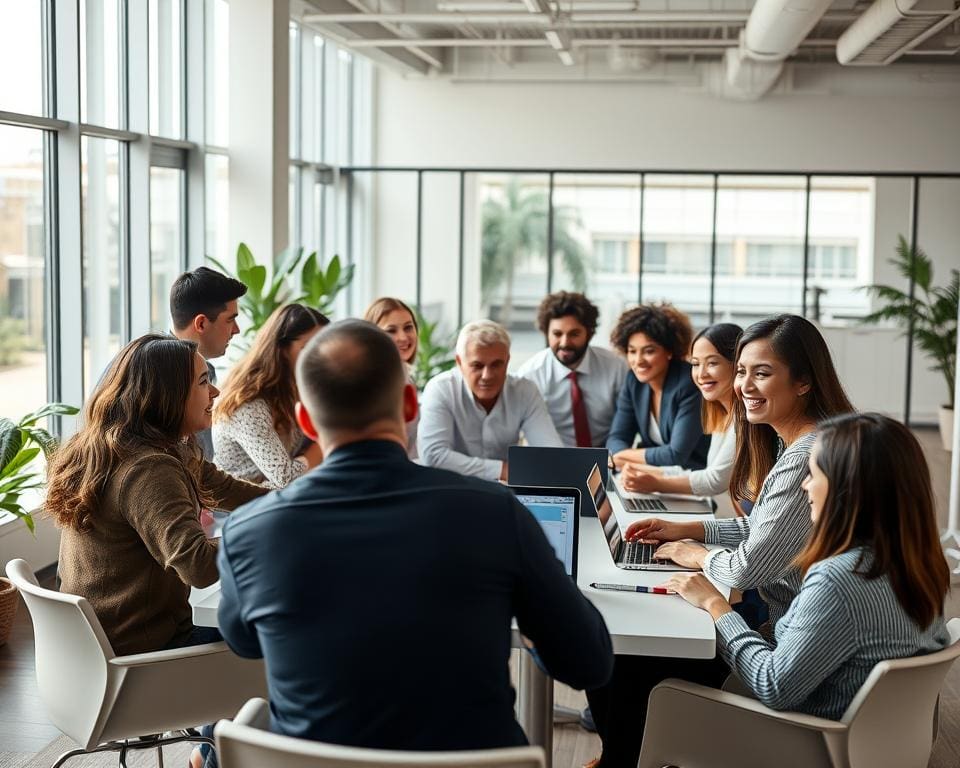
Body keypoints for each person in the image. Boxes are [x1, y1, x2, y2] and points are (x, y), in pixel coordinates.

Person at [215, 319, 614, 750]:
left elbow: (242, 641)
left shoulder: (249, 532)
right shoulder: (497, 514)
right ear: (409, 404)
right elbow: (589, 664)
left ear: (306, 421)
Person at [587, 314, 855, 768]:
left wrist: (696, 559)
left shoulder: (806, 457)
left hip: (789, 647)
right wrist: (690, 530)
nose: (744, 385)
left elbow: (747, 567)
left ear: (805, 381)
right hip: (798, 639)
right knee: (625, 656)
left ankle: (625, 758)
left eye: (762, 373)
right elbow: (768, 533)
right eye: (744, 371)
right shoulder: (814, 441)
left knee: (622, 658)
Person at [664, 412, 950, 719]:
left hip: (808, 738)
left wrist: (715, 604)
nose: (804, 486)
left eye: (813, 474)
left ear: (846, 489)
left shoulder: (839, 579)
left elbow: (772, 686)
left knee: (652, 672)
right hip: (878, 738)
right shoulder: (921, 563)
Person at [48, 334, 268, 656]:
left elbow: (222, 486)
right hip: (143, 654)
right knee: (286, 636)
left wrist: (291, 502)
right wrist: (270, 528)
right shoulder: (149, 468)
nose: (216, 391)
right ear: (168, 395)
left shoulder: (122, 444)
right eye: (204, 381)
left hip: (91, 650)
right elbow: (199, 566)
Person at [418, 319, 563, 481]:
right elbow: (433, 456)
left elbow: (551, 454)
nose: (487, 376)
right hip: (450, 491)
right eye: (477, 366)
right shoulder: (440, 389)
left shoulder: (524, 391)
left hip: (503, 495)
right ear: (459, 362)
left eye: (496, 365)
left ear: (507, 361)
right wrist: (503, 470)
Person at [620, 323, 742, 499]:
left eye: (712, 363)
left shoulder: (744, 417)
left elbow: (715, 481)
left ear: (738, 365)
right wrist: (647, 473)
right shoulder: (720, 412)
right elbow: (709, 472)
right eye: (695, 364)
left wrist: (657, 483)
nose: (701, 374)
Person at [213, 304, 329, 488]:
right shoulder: (248, 404)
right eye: (308, 348)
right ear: (281, 349)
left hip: (275, 500)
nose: (321, 357)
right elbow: (286, 478)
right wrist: (327, 439)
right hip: (235, 509)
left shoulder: (295, 388)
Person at [517, 291, 627, 448]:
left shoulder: (616, 367)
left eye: (574, 334)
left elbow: (626, 425)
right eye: (557, 334)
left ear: (589, 333)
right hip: (553, 457)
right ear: (546, 333)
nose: (564, 343)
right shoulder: (530, 374)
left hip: (607, 457)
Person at [606, 304, 710, 471]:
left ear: (669, 351)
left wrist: (622, 457)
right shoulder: (634, 381)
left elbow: (676, 454)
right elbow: (617, 437)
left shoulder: (689, 383)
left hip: (691, 480)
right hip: (651, 476)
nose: (638, 360)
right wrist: (622, 455)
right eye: (632, 351)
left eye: (648, 351)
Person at [169, 266, 248, 460]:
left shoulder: (203, 368)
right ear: (201, 323)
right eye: (230, 320)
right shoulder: (160, 373)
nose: (236, 330)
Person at [364, 297, 420, 458]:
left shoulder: (403, 373)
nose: (403, 337)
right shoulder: (372, 384)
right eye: (391, 330)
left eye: (408, 328)